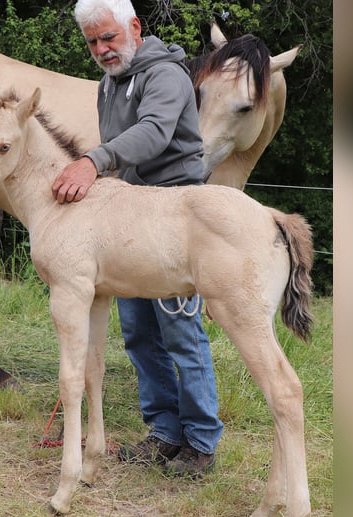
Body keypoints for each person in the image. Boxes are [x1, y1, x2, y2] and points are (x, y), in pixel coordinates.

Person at [52, 0, 224, 477]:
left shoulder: (165, 74)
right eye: (93, 42)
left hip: (173, 213)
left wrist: (91, 162)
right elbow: (124, 150)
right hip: (128, 217)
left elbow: (153, 133)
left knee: (180, 331)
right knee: (140, 332)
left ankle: (201, 442)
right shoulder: (111, 83)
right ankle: (164, 433)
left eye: (108, 37)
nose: (102, 49)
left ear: (134, 27)